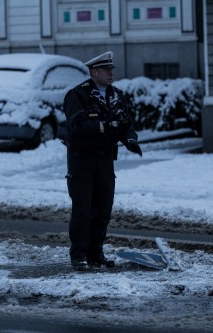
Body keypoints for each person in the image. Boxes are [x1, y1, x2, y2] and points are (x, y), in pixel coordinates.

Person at [63, 51, 142, 270]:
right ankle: (79, 254)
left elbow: (125, 123)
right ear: (94, 72)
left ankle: (96, 253)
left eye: (112, 70)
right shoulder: (77, 95)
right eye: (107, 70)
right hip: (82, 161)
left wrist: (130, 139)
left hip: (105, 160)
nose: (111, 73)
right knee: (83, 209)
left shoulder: (116, 94)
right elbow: (76, 127)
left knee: (103, 210)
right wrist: (104, 127)